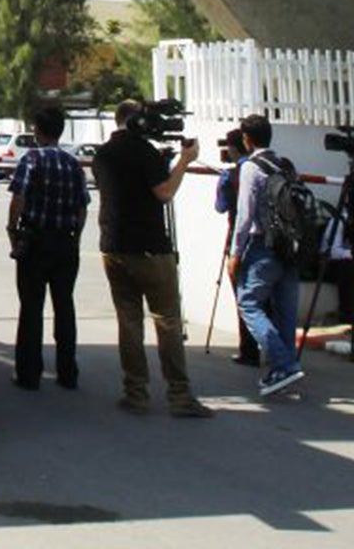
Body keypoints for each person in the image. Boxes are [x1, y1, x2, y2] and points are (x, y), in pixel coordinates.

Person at [89, 98, 212, 418]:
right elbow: (164, 193)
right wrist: (184, 160)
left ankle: (135, 393)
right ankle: (180, 396)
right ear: (137, 122)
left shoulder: (102, 154)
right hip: (150, 248)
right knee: (167, 320)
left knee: (128, 321)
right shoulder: (144, 153)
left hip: (113, 246)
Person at [7, 102, 88, 392]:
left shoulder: (31, 160)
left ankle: (29, 372)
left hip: (36, 239)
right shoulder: (72, 164)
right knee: (64, 305)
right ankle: (68, 371)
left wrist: (12, 230)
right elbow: (82, 208)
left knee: (31, 307)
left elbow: (19, 198)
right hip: (65, 241)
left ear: (37, 131)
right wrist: (75, 236)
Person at [227, 113, 303, 399]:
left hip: (264, 245)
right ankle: (285, 370)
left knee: (248, 303)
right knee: (284, 312)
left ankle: (282, 364)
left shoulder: (251, 168)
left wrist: (236, 253)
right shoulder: (284, 165)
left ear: (247, 139)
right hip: (290, 247)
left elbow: (245, 215)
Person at [213, 129, 260, 366]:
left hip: (240, 241)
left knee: (244, 298)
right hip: (268, 242)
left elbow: (220, 206)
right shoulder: (265, 167)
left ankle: (249, 350)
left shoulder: (230, 176)